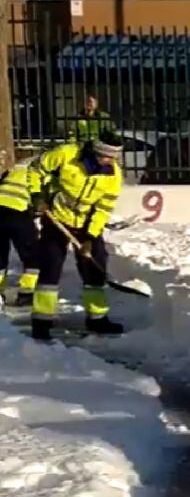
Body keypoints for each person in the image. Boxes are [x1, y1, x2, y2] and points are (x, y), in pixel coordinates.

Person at [30, 131, 126, 340]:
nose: (108, 161)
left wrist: (90, 237)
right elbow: (36, 169)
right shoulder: (67, 154)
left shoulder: (113, 175)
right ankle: (41, 321)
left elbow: (103, 209)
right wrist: (37, 195)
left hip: (86, 223)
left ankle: (97, 319)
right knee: (51, 266)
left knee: (95, 265)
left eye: (113, 158)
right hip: (56, 217)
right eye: (105, 156)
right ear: (95, 151)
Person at [0, 160, 42, 307]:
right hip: (18, 213)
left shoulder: (16, 168)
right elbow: (37, 193)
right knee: (32, 256)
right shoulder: (40, 172)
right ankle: (26, 294)